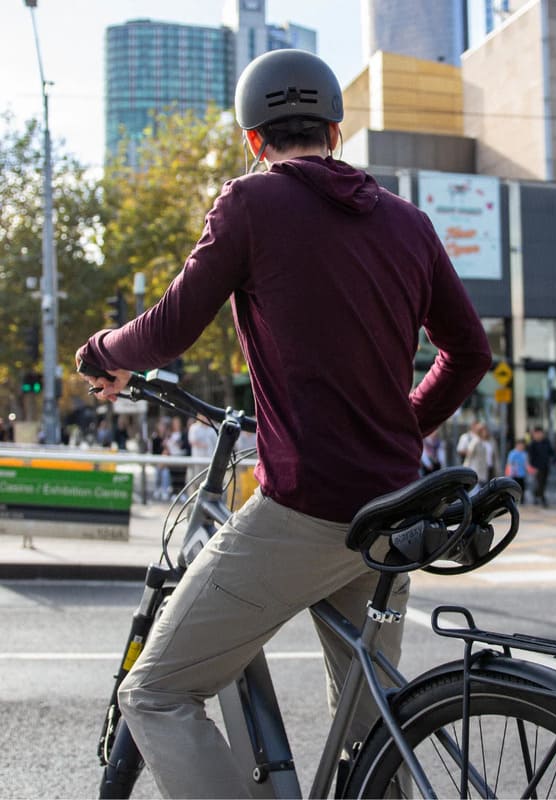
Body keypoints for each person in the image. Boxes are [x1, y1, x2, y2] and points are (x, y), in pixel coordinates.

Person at [75, 49, 491, 799]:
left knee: (156, 693)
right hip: (394, 509)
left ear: (253, 140)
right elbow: (470, 352)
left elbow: (167, 332)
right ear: (335, 129)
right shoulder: (410, 223)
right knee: (374, 735)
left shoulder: (251, 203)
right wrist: (402, 423)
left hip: (308, 508)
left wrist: (101, 351)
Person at [527, 425, 555, 507]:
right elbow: (530, 456)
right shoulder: (532, 444)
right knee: (539, 483)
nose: (539, 435)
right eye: (537, 433)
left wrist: (554, 460)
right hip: (536, 467)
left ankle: (536, 495)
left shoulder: (546, 442)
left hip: (545, 466)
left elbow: (551, 452)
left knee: (544, 482)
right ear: (534, 434)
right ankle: (542, 498)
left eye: (540, 433)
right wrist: (531, 467)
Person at [186, 415, 218, 484]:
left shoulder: (212, 428)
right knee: (197, 481)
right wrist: (203, 445)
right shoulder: (194, 427)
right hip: (198, 459)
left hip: (210, 460)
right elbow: (192, 441)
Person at [463, 422, 491, 486]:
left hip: (483, 471)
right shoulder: (475, 441)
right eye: (484, 430)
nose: (486, 432)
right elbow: (469, 456)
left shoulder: (483, 441)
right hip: (476, 471)